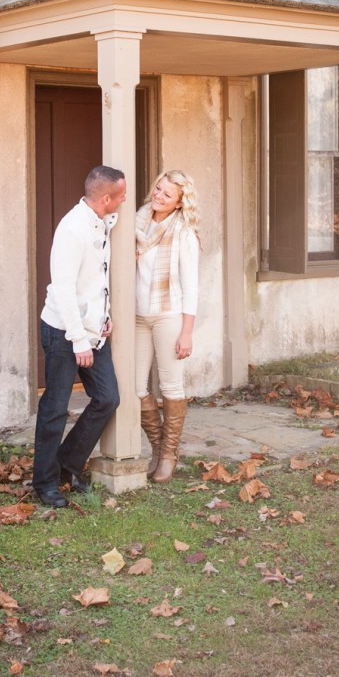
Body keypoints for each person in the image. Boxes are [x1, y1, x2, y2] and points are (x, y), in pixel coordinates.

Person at [32, 165, 126, 508]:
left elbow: (96, 280)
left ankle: (67, 465)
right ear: (105, 198)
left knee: (107, 398)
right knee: (55, 407)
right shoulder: (73, 229)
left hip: (92, 330)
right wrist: (79, 339)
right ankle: (44, 484)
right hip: (64, 331)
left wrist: (104, 317)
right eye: (121, 194)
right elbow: (64, 290)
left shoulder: (103, 223)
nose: (125, 198)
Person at [135, 170, 200, 483]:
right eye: (158, 189)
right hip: (136, 316)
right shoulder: (136, 221)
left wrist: (186, 332)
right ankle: (158, 447)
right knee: (134, 387)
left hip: (169, 315)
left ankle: (169, 455)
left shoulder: (183, 232)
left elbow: (191, 286)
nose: (159, 196)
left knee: (171, 386)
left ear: (178, 203)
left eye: (167, 195)